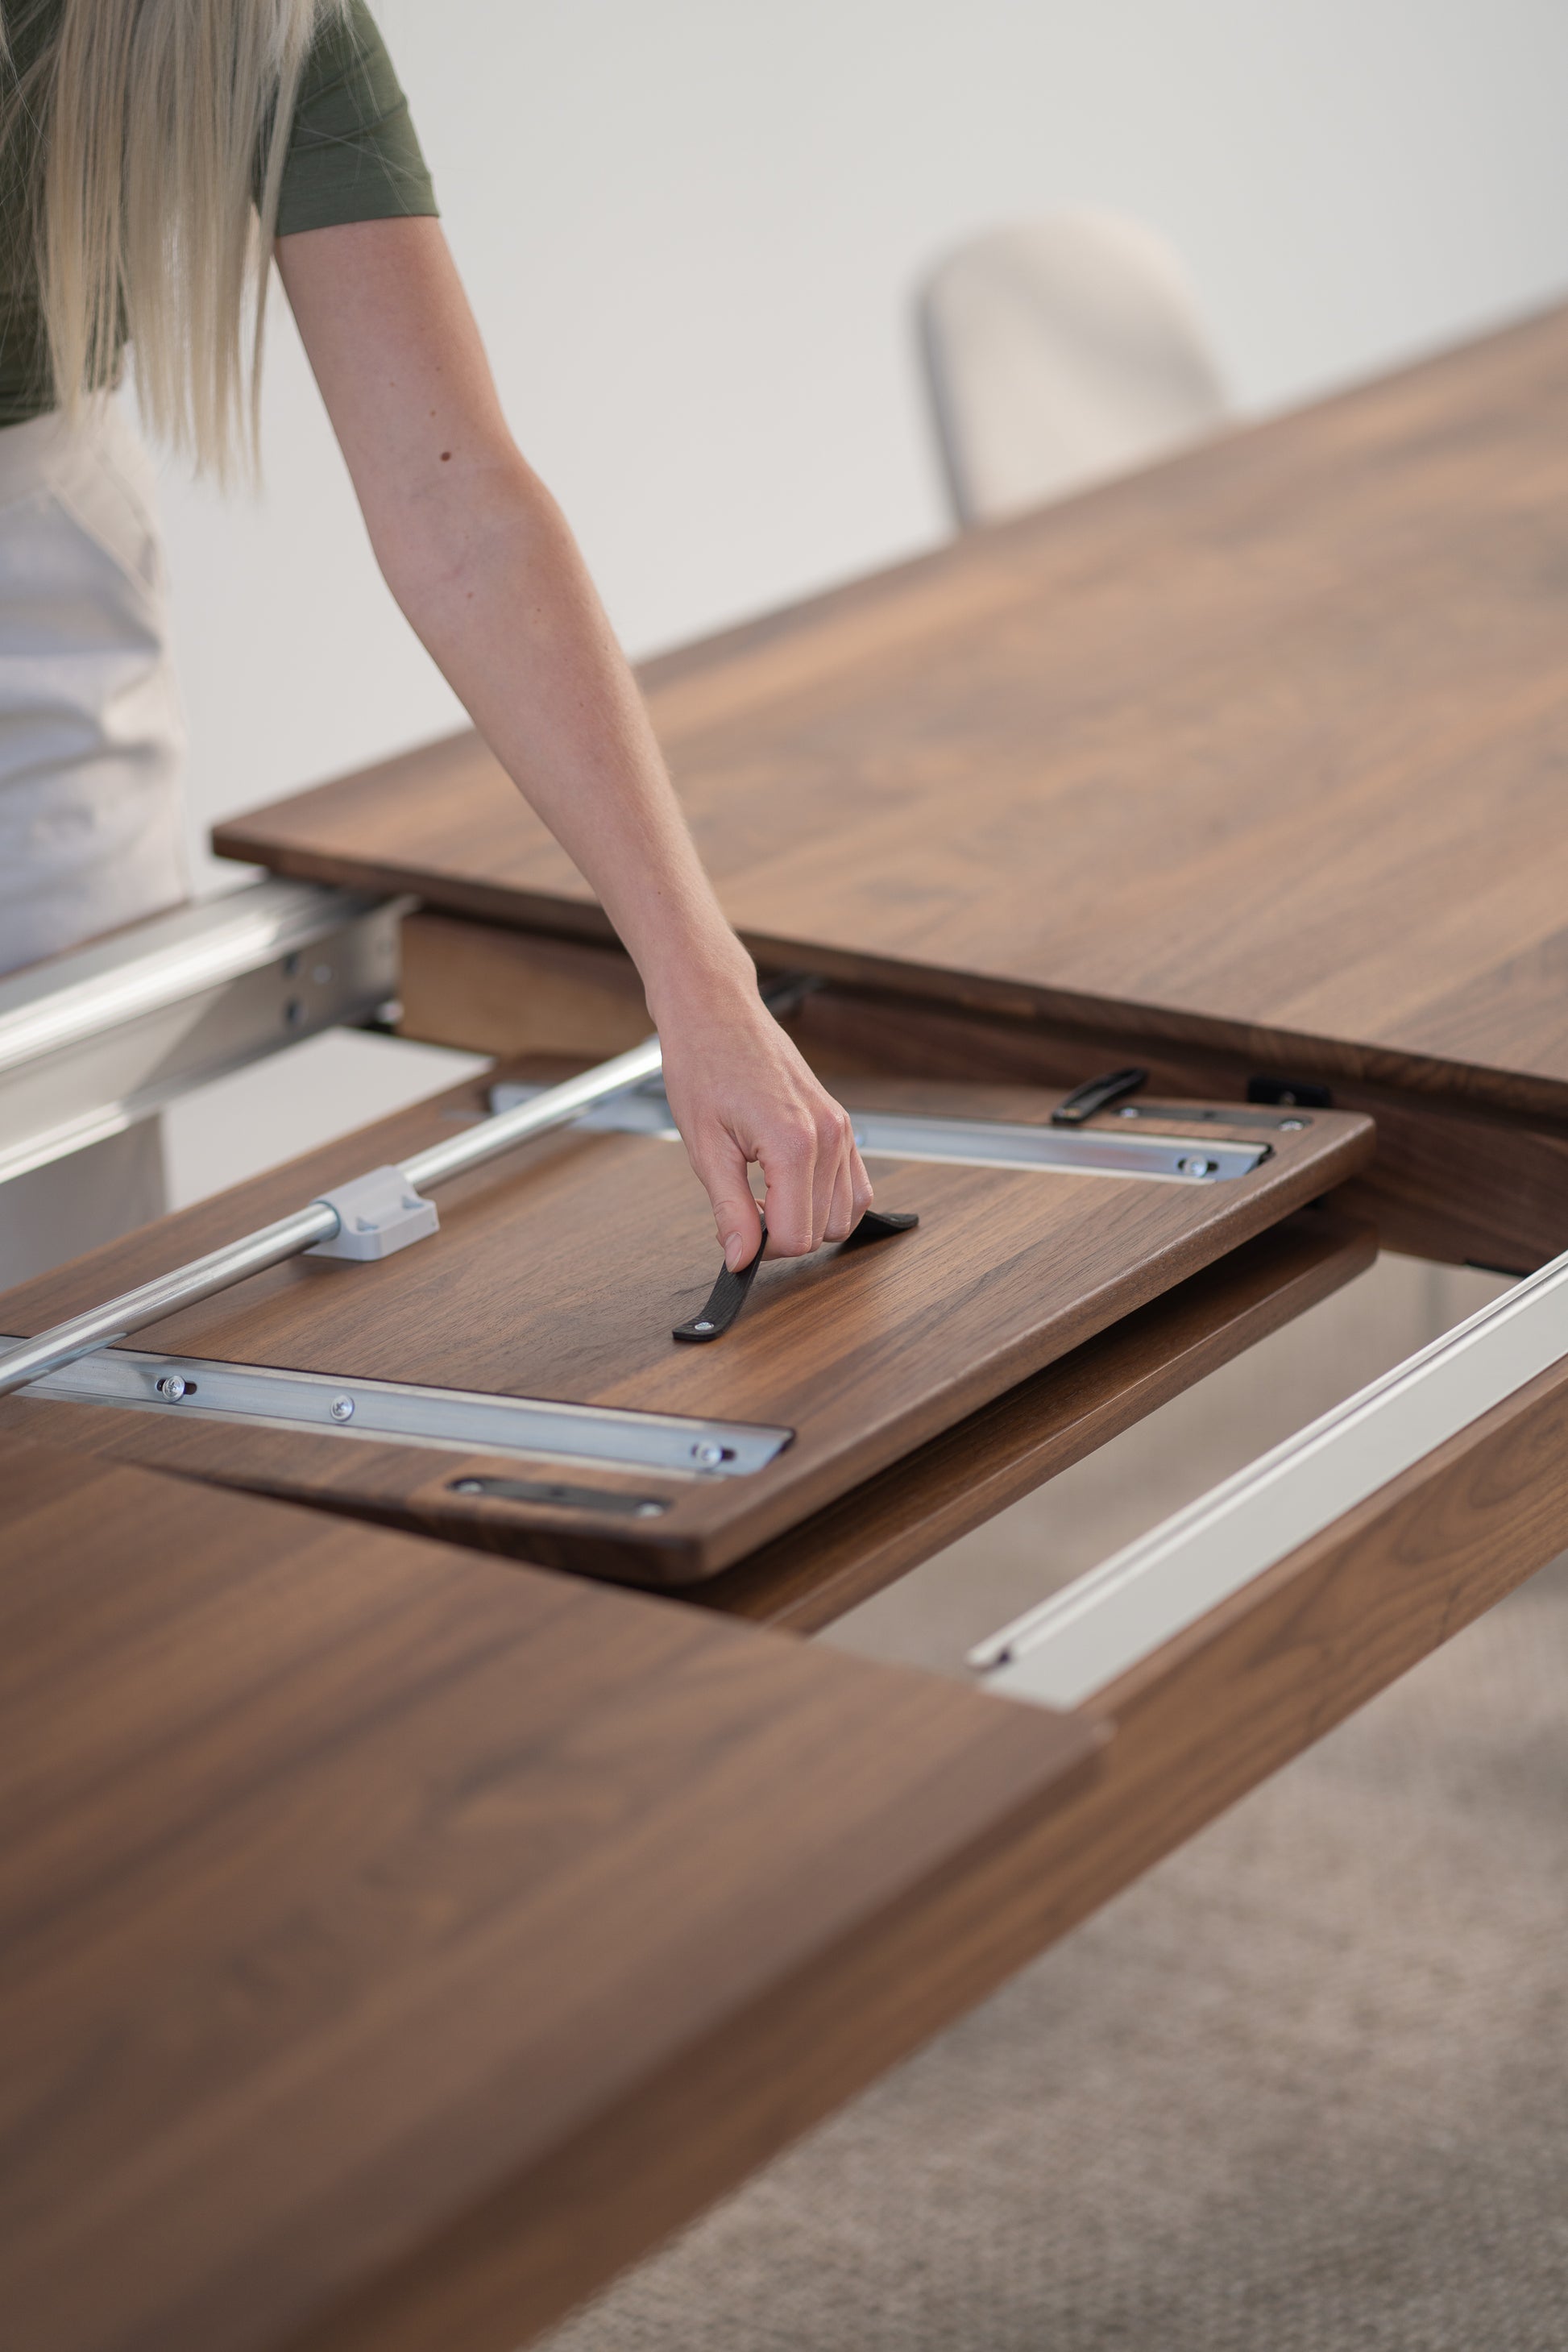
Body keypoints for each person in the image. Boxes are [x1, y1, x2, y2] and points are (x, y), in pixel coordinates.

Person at [0, 0, 871, 1271]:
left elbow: (458, 505)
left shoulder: (256, 23)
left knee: (56, 1266)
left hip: (43, 598)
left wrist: (699, 981)